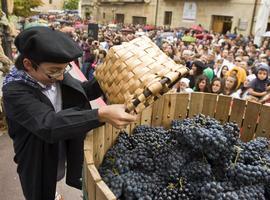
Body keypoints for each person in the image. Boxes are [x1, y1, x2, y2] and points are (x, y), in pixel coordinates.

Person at [2, 27, 137, 200]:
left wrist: (111, 77)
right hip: (37, 153)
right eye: (54, 71)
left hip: (63, 139)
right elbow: (48, 124)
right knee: (41, 187)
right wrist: (100, 114)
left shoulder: (56, 73)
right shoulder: (14, 91)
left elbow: (81, 91)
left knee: (60, 171)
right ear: (28, 64)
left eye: (64, 70)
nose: (60, 77)